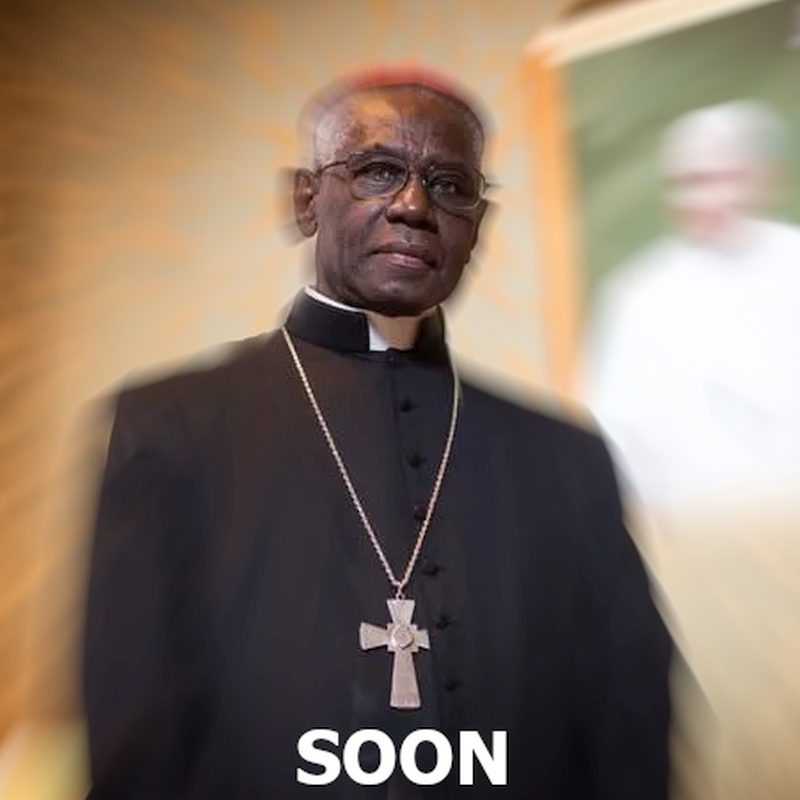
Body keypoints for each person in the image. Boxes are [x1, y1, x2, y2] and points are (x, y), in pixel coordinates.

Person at [83, 66, 672, 799]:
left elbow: (631, 731)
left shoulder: (566, 459)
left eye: (450, 185)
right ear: (306, 200)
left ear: (478, 226)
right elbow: (137, 744)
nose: (414, 205)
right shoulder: (171, 429)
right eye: (378, 171)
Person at [584, 102, 800, 514]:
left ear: (760, 177)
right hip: (700, 528)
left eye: (724, 178)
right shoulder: (639, 300)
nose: (708, 199)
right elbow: (617, 437)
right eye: (690, 182)